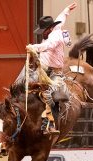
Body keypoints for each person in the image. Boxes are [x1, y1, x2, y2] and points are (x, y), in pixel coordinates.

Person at [26, 2, 77, 135]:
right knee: (26, 85)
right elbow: (61, 18)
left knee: (52, 96)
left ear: (48, 29)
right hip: (43, 70)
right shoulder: (56, 28)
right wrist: (67, 10)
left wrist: (34, 47)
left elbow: (49, 45)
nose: (41, 34)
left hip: (54, 73)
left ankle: (51, 123)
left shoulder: (55, 36)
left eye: (43, 31)